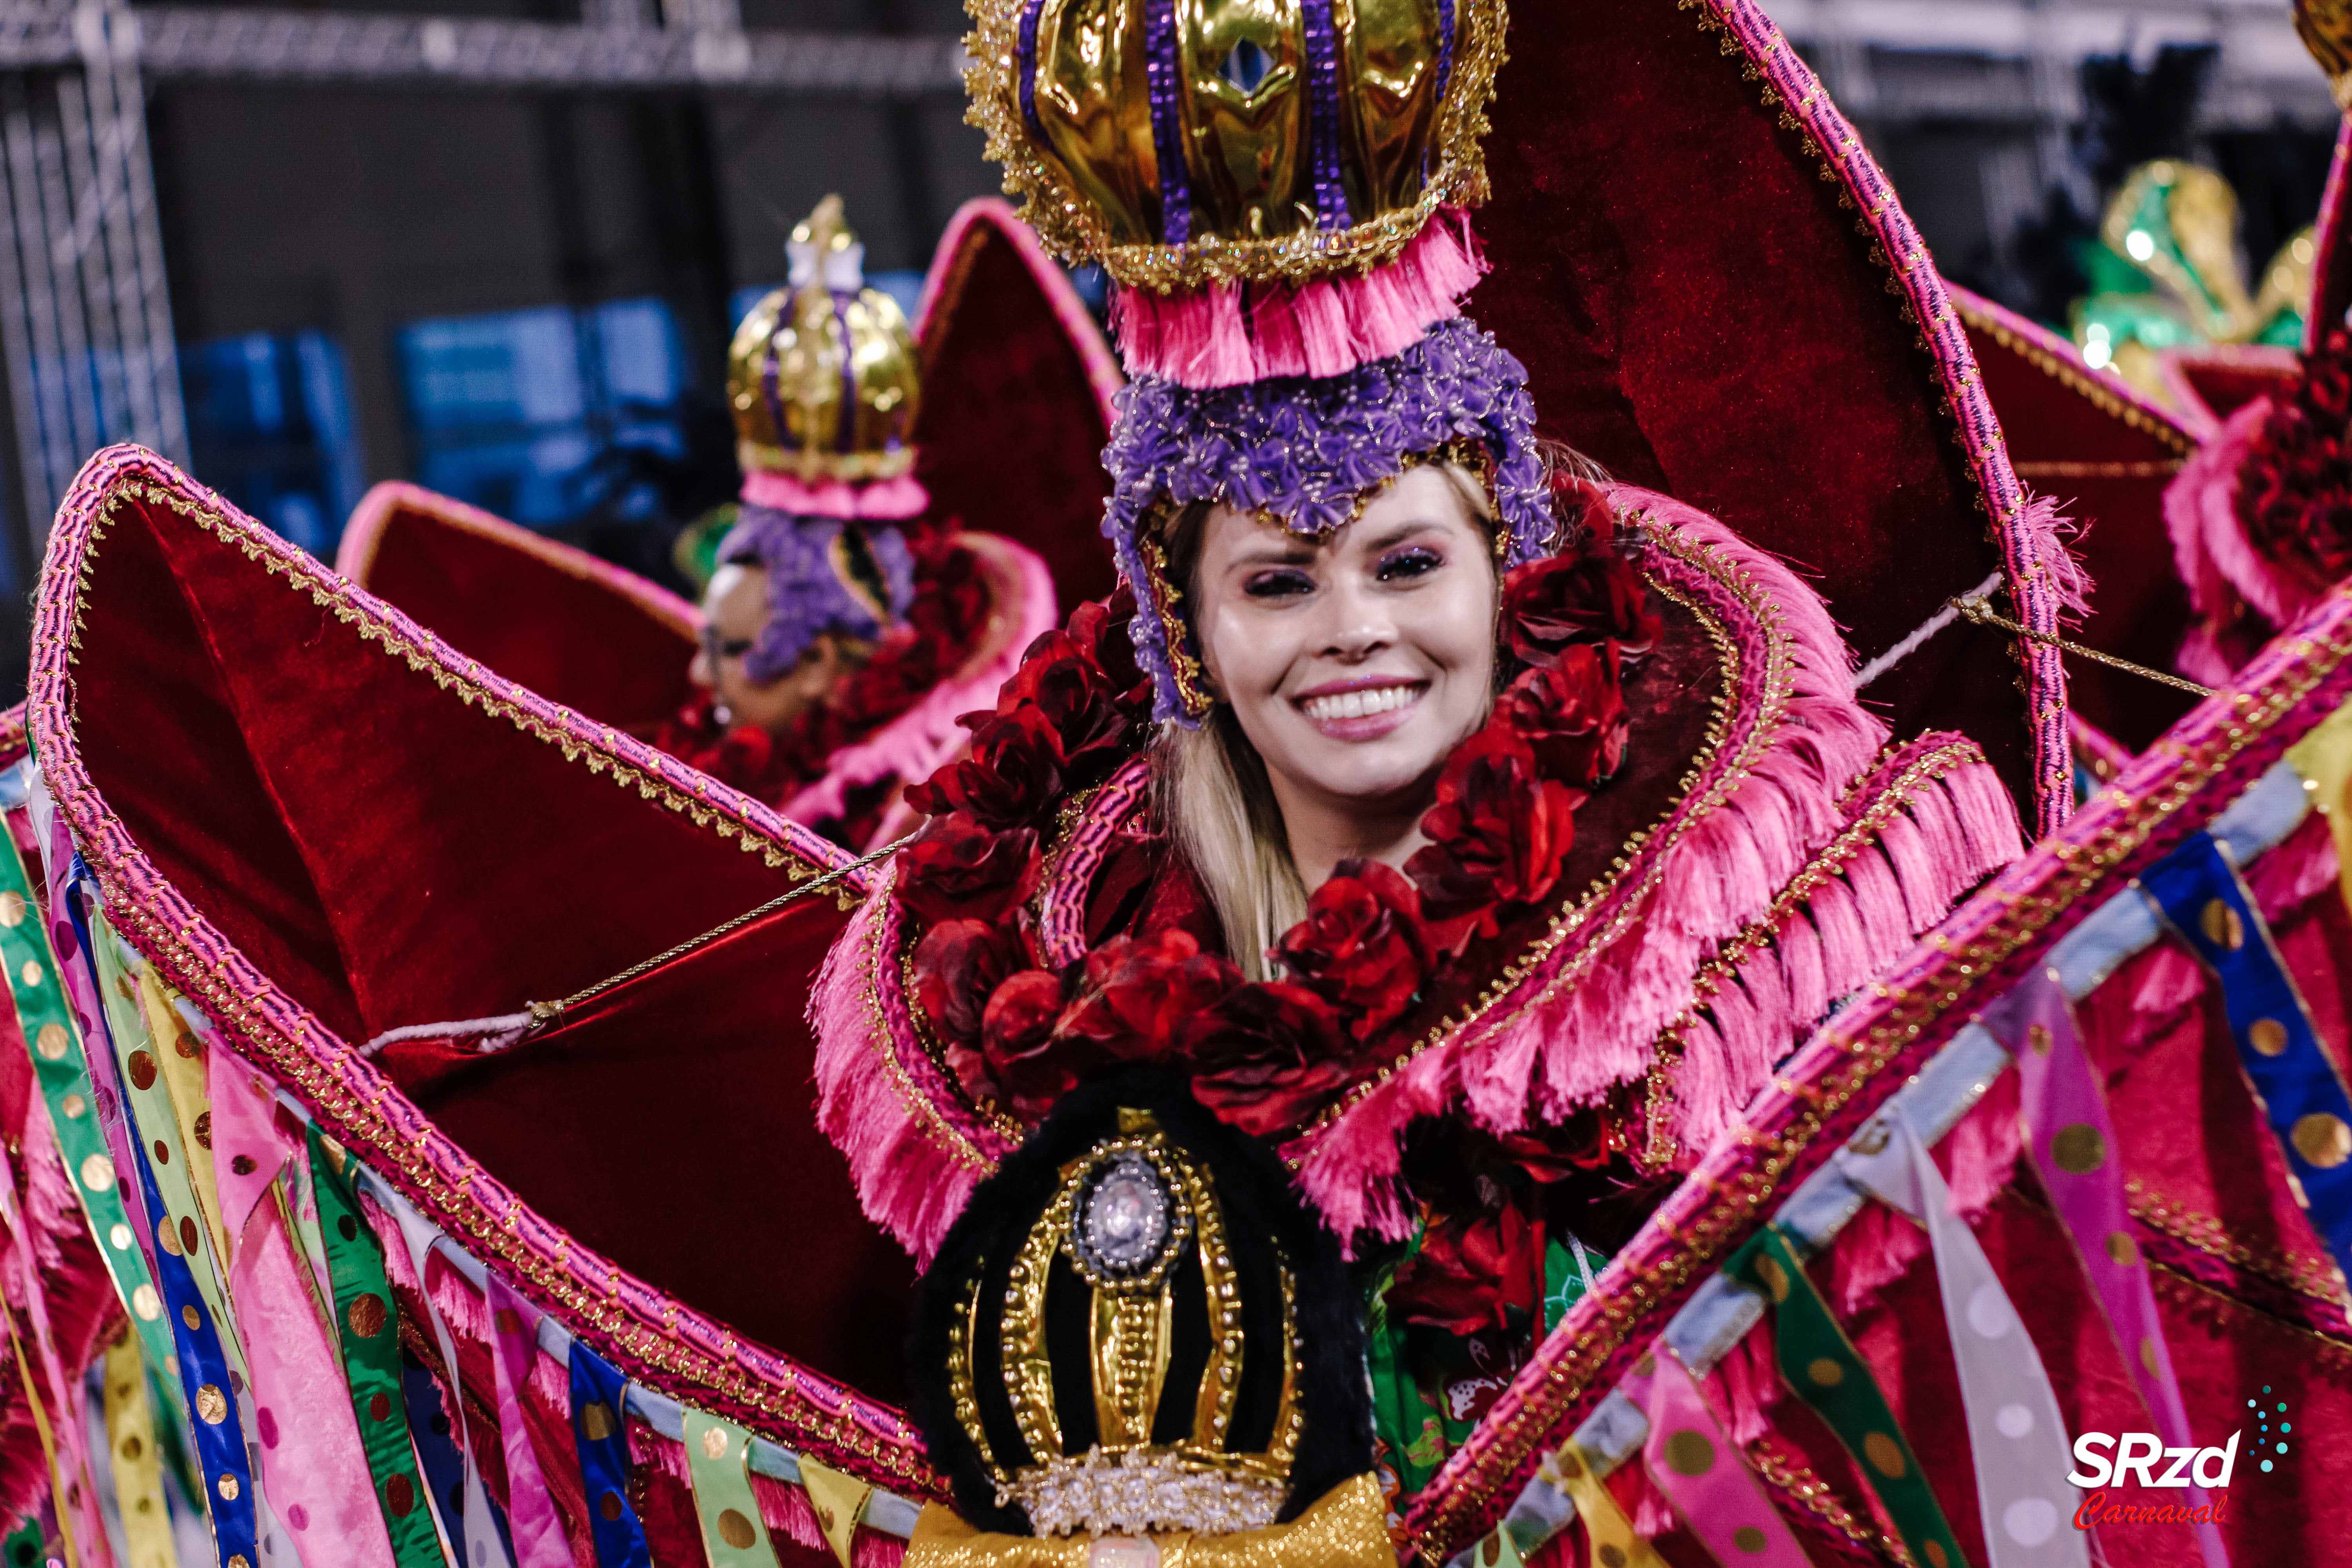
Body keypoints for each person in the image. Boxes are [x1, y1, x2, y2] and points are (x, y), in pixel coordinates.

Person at [808, 0, 2033, 1546]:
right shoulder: (1069, 1007)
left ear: (1504, 569)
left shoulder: (1775, 937)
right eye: (1277, 583)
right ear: (1182, 631)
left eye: (1406, 562)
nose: (1355, 636)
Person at [652, 195, 1063, 849]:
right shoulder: (719, 764)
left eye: (726, 651)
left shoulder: (943, 823)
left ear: (817, 662)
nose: (700, 680)